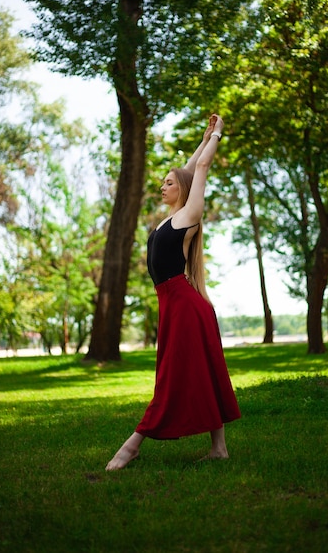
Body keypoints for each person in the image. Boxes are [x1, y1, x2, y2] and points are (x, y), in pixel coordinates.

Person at [106, 114, 241, 471]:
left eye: (169, 183)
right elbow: (189, 167)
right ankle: (219, 449)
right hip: (173, 305)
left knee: (172, 379)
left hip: (184, 305)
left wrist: (219, 136)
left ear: (181, 189)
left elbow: (201, 167)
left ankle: (133, 445)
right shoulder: (169, 218)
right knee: (203, 371)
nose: (163, 186)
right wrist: (205, 135)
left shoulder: (189, 215)